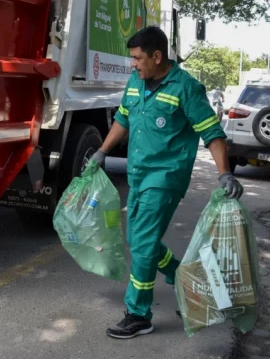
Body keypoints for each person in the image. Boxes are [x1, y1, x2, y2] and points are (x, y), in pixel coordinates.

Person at [91, 26, 243, 339]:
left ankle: (138, 314)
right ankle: (191, 283)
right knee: (137, 238)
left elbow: (211, 132)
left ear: (157, 56)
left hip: (165, 176)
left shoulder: (186, 88)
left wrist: (224, 171)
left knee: (143, 245)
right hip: (137, 173)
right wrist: (102, 152)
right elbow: (123, 118)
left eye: (137, 58)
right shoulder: (137, 81)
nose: (133, 64)